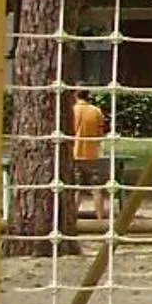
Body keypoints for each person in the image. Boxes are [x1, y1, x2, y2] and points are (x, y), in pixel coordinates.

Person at [65, 90, 110, 229]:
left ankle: (73, 217)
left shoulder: (71, 111)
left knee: (77, 187)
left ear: (75, 95)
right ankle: (100, 218)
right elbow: (100, 133)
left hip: (74, 153)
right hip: (92, 153)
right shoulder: (96, 111)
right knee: (96, 188)